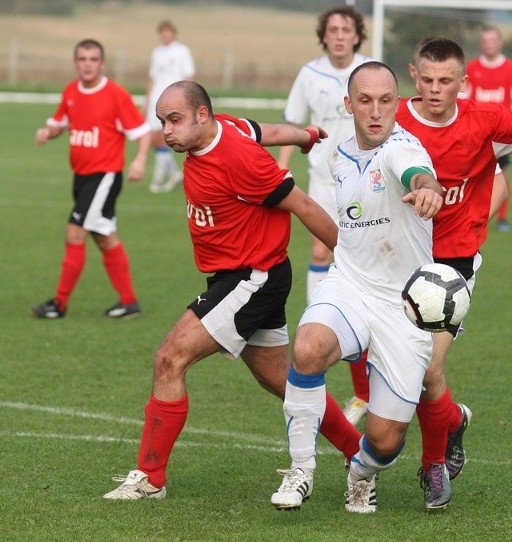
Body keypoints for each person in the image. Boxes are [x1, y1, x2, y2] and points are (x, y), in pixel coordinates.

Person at [103, 80, 362, 500]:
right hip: (247, 275)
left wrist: (355, 264)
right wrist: (308, 136)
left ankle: (151, 478)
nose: (166, 131)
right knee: (283, 381)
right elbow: (269, 131)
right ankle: (357, 451)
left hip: (251, 278)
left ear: (202, 115)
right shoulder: (226, 128)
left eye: (174, 120)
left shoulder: (240, 159)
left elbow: (305, 207)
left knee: (169, 360)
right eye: (161, 121)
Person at [394, 37, 512, 510]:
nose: (435, 90)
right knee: (395, 372)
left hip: (452, 263)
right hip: (396, 256)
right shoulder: (392, 120)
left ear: (463, 81)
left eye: (445, 81)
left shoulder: (486, 120)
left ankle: (432, 466)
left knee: (428, 369)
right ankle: (452, 421)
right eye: (427, 80)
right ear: (414, 75)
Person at [271, 61, 444, 514]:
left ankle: (362, 473)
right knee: (308, 348)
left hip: (403, 307)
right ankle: (300, 469)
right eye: (364, 100)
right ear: (348, 104)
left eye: (386, 100)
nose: (375, 111)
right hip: (349, 284)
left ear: (397, 104)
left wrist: (426, 188)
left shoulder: (404, 149)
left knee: (386, 440)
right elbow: (347, 226)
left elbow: (416, 173)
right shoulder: (338, 155)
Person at [276, 4, 371, 426]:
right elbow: (292, 124)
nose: (338, 35)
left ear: (356, 35)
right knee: (320, 250)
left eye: (345, 29)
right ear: (324, 35)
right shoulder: (309, 74)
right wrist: (280, 168)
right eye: (331, 29)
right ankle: (322, 319)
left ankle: (367, 381)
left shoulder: (370, 70)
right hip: (322, 179)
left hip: (366, 181)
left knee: (362, 263)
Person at [32, 39, 151, 320]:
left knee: (75, 232)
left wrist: (140, 160)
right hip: (82, 178)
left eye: (93, 59)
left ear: (102, 63)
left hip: (104, 176)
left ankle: (58, 304)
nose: (87, 63)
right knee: (104, 237)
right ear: (76, 63)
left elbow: (143, 132)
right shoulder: (71, 92)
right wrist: (46, 133)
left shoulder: (116, 95)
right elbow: (59, 124)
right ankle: (129, 302)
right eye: (82, 58)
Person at [461, 25, 512, 233]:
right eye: (485, 41)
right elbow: (462, 102)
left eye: (493, 40)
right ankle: (468, 215)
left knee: (500, 175)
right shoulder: (471, 68)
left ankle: (501, 218)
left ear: (500, 42)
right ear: (481, 44)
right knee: (469, 176)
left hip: (500, 134)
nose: (489, 44)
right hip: (474, 134)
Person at [145, 20, 195, 193]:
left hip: (173, 100)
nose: (165, 35)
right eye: (163, 32)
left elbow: (189, 76)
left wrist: (189, 100)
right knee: (153, 138)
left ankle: (158, 180)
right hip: (155, 101)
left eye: (168, 32)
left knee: (164, 137)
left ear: (173, 33)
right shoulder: (157, 52)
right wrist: (146, 102)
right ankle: (173, 173)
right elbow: (152, 79)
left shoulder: (182, 51)